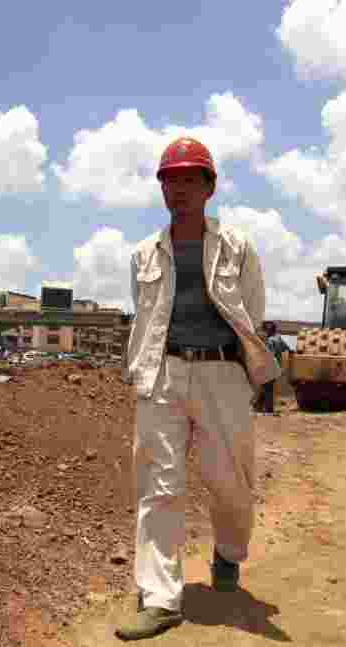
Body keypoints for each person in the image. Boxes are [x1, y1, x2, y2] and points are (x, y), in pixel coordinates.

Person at [117, 137, 279, 641]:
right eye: (171, 180)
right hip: (164, 374)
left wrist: (247, 374)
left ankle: (228, 553)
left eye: (191, 179)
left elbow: (251, 311)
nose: (180, 189)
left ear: (209, 187)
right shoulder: (144, 253)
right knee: (159, 485)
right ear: (161, 188)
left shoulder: (237, 247)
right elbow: (146, 317)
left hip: (222, 373)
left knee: (229, 481)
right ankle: (160, 598)